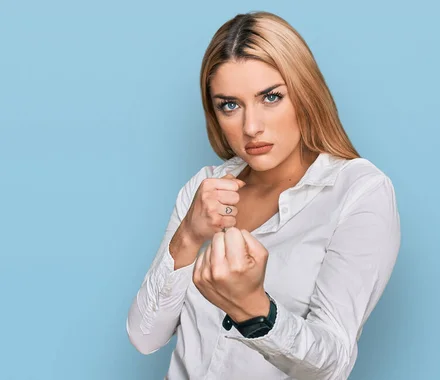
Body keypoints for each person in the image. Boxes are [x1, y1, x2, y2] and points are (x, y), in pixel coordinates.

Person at [126, 11, 401, 380]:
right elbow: (145, 336)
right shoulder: (205, 187)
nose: (251, 127)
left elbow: (332, 363)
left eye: (271, 97)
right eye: (230, 105)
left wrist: (253, 310)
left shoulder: (359, 193)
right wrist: (188, 236)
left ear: (305, 93)